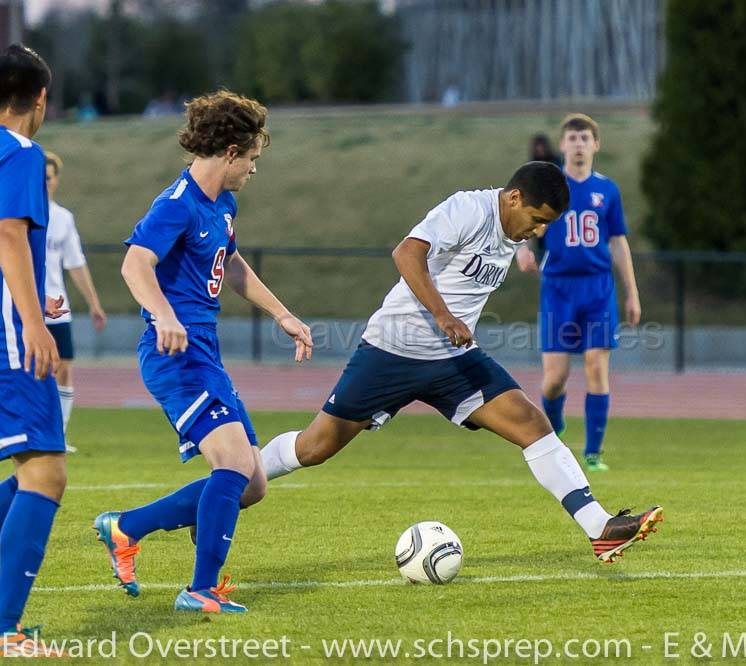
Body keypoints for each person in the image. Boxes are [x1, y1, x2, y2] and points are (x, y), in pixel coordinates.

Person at [261, 161, 662, 563]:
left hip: (452, 359)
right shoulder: (468, 209)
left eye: (546, 226)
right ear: (514, 198)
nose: (539, 232)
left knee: (532, 423)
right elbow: (406, 253)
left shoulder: (514, 230)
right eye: (537, 220)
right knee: (314, 448)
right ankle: (232, 483)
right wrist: (443, 315)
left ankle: (600, 527)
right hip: (393, 352)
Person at [92, 90, 313, 613]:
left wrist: (280, 312)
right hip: (175, 357)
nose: (254, 170)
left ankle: (127, 527)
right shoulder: (176, 205)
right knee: (234, 465)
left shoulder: (223, 204)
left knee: (252, 482)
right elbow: (135, 264)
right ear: (231, 151)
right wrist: (164, 315)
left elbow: (230, 265)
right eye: (253, 159)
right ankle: (200, 590)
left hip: (205, 356)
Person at [0, 44, 67, 657]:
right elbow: (7, 236)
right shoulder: (23, 152)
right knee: (45, 472)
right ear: (41, 99)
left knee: (32, 472)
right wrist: (34, 324)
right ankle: (1, 632)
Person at [516, 114, 642, 472]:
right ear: (563, 145)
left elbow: (618, 242)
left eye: (585, 138)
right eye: (572, 138)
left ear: (596, 144)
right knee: (554, 379)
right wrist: (522, 249)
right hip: (557, 288)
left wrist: (632, 293)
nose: (579, 144)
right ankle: (554, 429)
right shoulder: (550, 187)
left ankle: (592, 453)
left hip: (598, 288)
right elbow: (524, 224)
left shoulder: (608, 190)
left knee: (595, 366)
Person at [44, 151, 108, 453]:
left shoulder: (62, 219)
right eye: (39, 177)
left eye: (48, 178)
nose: (44, 183)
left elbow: (76, 264)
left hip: (56, 307)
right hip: (20, 306)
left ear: (56, 180)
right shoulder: (15, 214)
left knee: (64, 368)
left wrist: (94, 303)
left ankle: (58, 435)